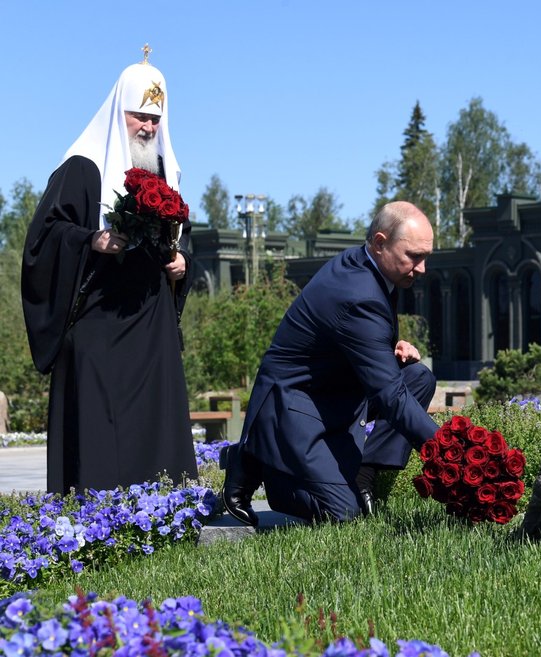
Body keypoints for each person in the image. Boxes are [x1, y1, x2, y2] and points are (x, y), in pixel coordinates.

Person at [21, 49, 198, 494]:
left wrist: (183, 265)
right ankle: (99, 520)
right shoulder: (84, 166)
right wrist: (91, 240)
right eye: (140, 116)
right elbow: (43, 238)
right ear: (120, 111)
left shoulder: (164, 170)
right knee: (102, 430)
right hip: (99, 321)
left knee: (156, 425)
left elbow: (179, 241)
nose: (148, 127)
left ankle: (164, 514)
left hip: (151, 323)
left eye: (156, 119)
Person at [220, 201, 440, 525]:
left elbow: (354, 334)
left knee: (418, 378)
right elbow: (390, 396)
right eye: (414, 257)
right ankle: (258, 461)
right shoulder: (358, 292)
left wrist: (390, 346)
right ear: (380, 243)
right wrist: (448, 450)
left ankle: (362, 476)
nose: (421, 268)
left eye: (426, 257)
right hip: (294, 405)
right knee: (342, 514)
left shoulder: (369, 266)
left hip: (335, 393)